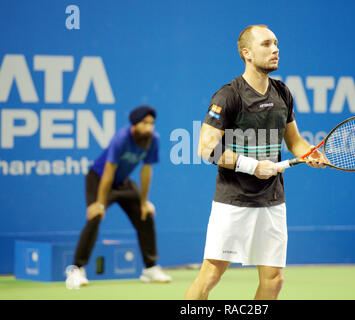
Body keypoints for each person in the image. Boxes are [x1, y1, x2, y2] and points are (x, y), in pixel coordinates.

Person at [184, 25, 326, 300]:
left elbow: (294, 140)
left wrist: (309, 153)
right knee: (211, 275)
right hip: (232, 201)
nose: (275, 49)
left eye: (276, 43)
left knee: (273, 280)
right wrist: (253, 166)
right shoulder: (229, 95)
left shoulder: (282, 92)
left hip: (272, 201)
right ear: (247, 53)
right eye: (266, 44)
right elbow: (206, 148)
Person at [66, 105, 172, 288]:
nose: (149, 127)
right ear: (134, 124)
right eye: (144, 123)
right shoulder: (121, 138)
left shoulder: (153, 140)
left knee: (145, 214)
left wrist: (144, 202)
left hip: (123, 182)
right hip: (99, 179)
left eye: (151, 123)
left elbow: (146, 171)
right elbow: (108, 171)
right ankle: (76, 270)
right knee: (95, 216)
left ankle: (150, 268)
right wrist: (99, 203)